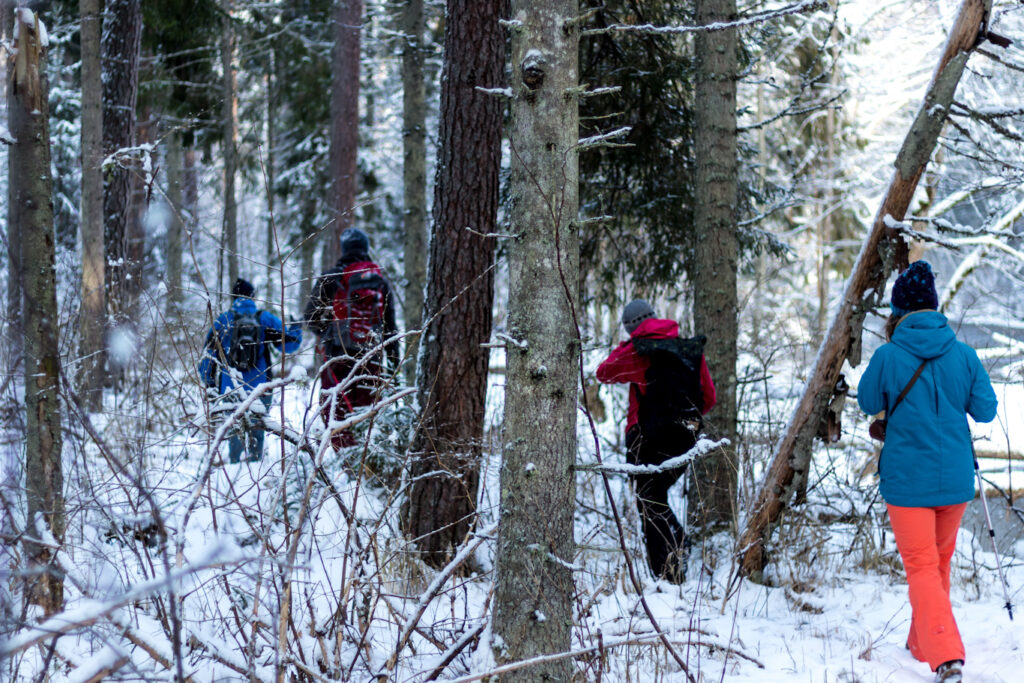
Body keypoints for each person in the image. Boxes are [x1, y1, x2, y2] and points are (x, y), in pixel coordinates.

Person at [857, 260, 997, 683]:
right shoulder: (964, 354)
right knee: (936, 565)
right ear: (935, 308)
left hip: (907, 483)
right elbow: (987, 410)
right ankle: (922, 644)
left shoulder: (888, 354)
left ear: (898, 312)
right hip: (954, 481)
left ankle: (947, 657)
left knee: (921, 567)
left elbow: (866, 402)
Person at [596, 299, 716, 582]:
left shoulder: (641, 353)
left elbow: (605, 372)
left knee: (647, 500)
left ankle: (669, 568)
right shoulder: (689, 350)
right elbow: (708, 398)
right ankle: (673, 561)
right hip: (686, 435)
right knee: (654, 498)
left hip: (646, 437)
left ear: (631, 328)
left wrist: (630, 343)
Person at [304, 228, 399, 448]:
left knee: (336, 413)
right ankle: (364, 464)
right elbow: (390, 328)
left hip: (337, 359)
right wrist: (394, 365)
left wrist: (327, 332)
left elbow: (310, 317)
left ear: (344, 249)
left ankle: (344, 464)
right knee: (367, 414)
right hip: (371, 359)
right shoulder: (380, 282)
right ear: (365, 248)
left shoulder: (331, 278)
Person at [199, 278, 303, 463]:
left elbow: (207, 357)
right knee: (257, 429)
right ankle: (255, 463)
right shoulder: (264, 318)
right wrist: (296, 328)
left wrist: (209, 384)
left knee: (234, 429)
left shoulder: (224, 320)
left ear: (233, 297)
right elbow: (290, 344)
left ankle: (234, 467)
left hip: (231, 387)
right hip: (260, 386)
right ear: (252, 297)